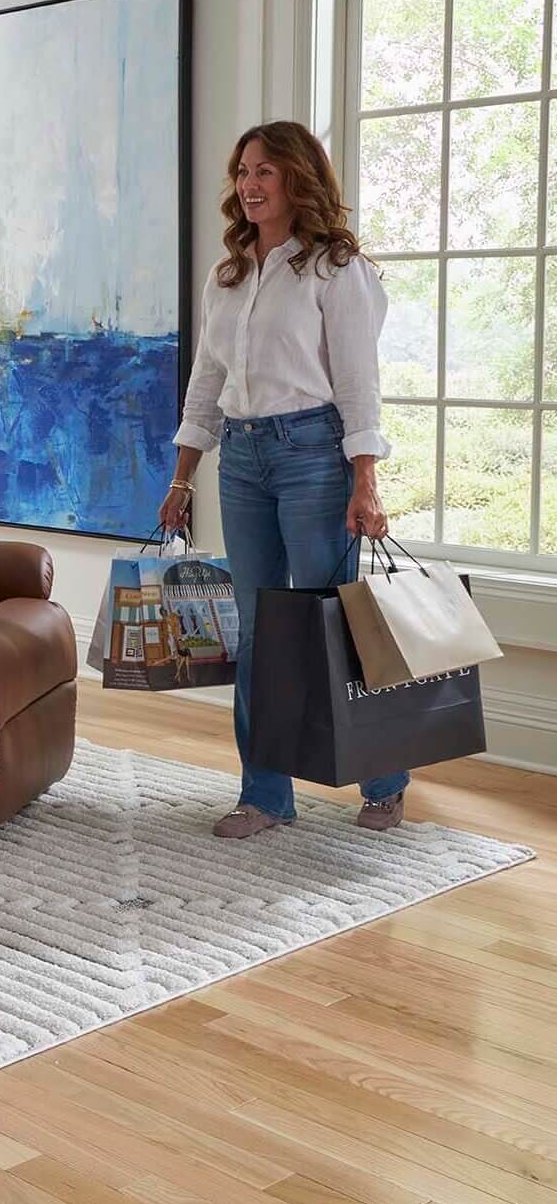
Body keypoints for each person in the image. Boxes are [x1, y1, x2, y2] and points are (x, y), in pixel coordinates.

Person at [159, 121, 410, 839]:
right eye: (242, 170)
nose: (248, 184)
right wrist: (183, 479)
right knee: (257, 632)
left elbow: (359, 384)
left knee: (330, 626)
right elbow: (205, 383)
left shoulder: (335, 269)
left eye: (265, 170)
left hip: (312, 456)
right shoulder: (227, 274)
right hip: (240, 461)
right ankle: (263, 793)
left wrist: (365, 481)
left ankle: (384, 779)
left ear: (299, 178)